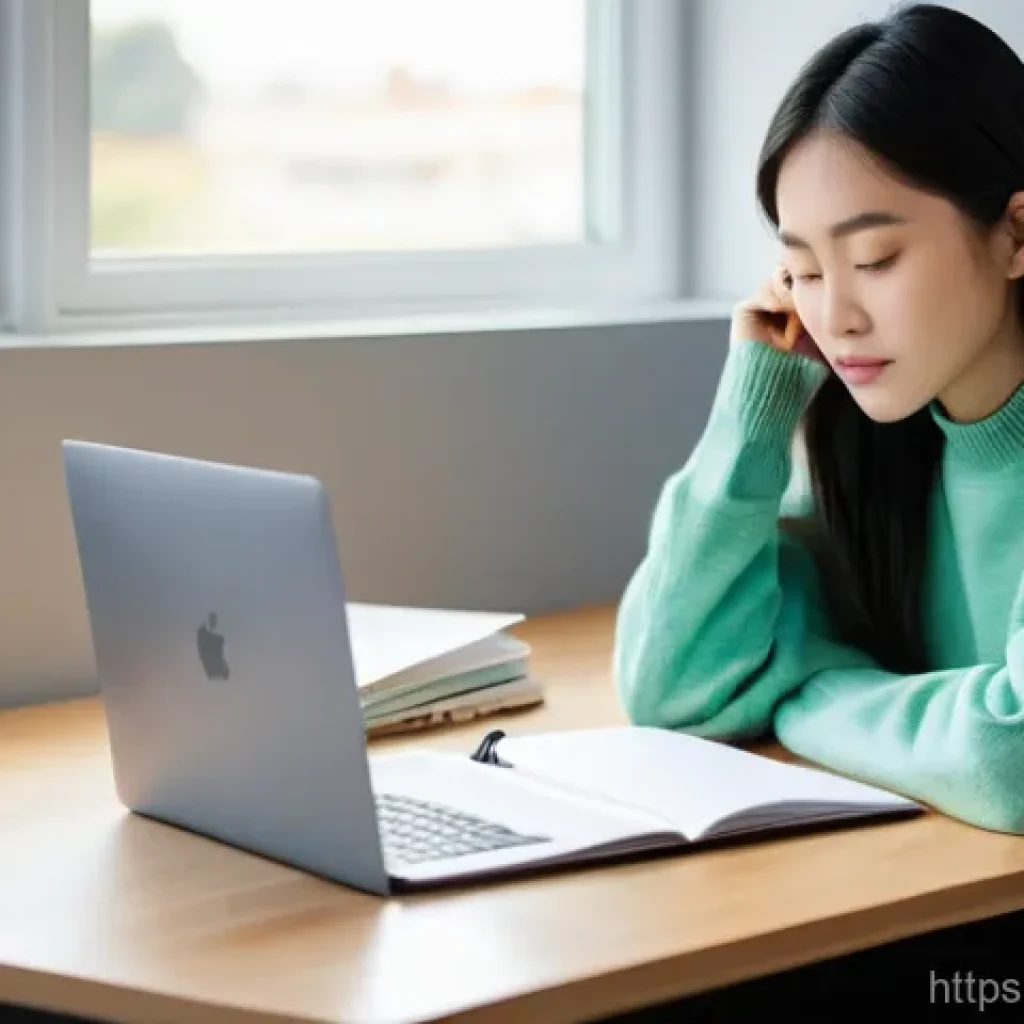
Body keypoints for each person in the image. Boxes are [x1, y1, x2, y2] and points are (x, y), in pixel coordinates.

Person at [607, 2, 1024, 1015]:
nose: (832, 315)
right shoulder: (867, 444)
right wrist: (753, 413)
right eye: (800, 268)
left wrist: (807, 692)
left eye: (873, 259)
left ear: (1015, 232)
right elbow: (674, 684)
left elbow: (1008, 755)